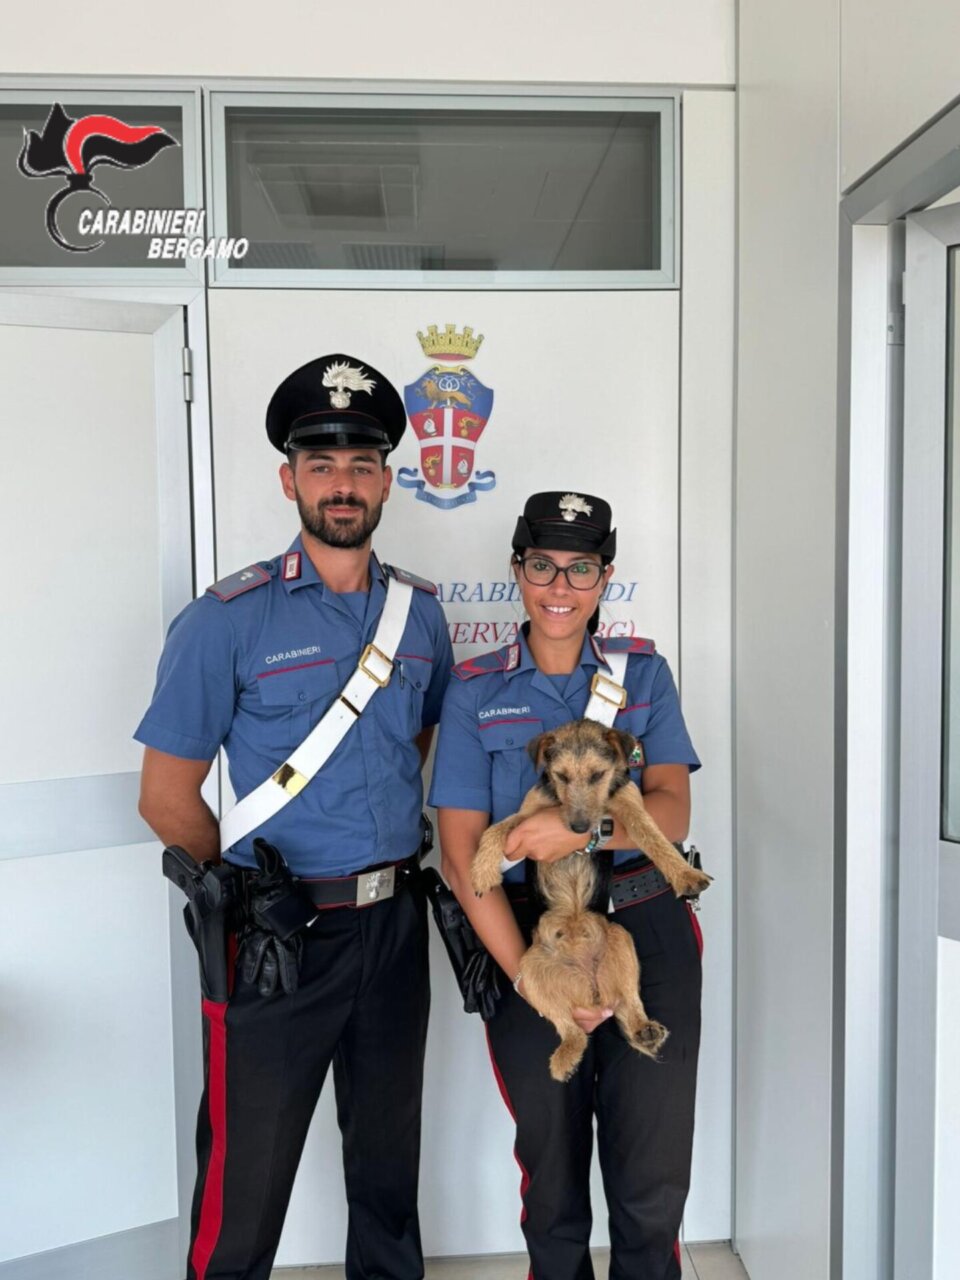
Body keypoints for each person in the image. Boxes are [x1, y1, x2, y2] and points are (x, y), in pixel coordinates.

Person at [135, 353, 454, 1280]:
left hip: (393, 926)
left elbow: (416, 748)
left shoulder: (420, 616)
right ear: (289, 479)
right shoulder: (227, 620)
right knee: (248, 1184)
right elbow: (165, 797)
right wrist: (248, 895)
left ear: (388, 479)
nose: (342, 484)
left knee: (390, 1174)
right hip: (279, 936)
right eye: (321, 465)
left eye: (361, 463)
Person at [429, 491, 703, 1280]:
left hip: (645, 925)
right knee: (550, 1179)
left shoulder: (642, 675)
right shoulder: (476, 688)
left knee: (651, 1176)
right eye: (542, 564)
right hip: (527, 930)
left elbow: (673, 808)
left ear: (604, 577)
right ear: (518, 570)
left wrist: (573, 827)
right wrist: (530, 978)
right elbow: (458, 851)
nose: (560, 585)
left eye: (581, 568)